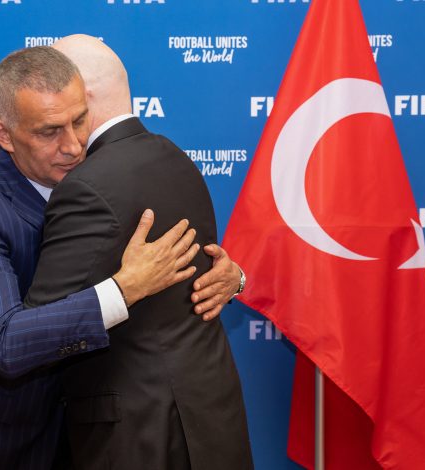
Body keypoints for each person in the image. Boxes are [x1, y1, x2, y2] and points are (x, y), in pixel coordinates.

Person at [0, 45, 242, 469]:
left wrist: (230, 276)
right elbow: (6, 343)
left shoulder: (107, 172)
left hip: (72, 436)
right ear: (3, 133)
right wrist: (124, 289)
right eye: (49, 131)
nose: (73, 145)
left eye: (79, 120)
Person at [24, 34, 253, 469]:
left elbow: (41, 331)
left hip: (139, 434)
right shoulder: (177, 158)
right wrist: (236, 279)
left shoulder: (86, 187)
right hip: (208, 414)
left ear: (81, 95)